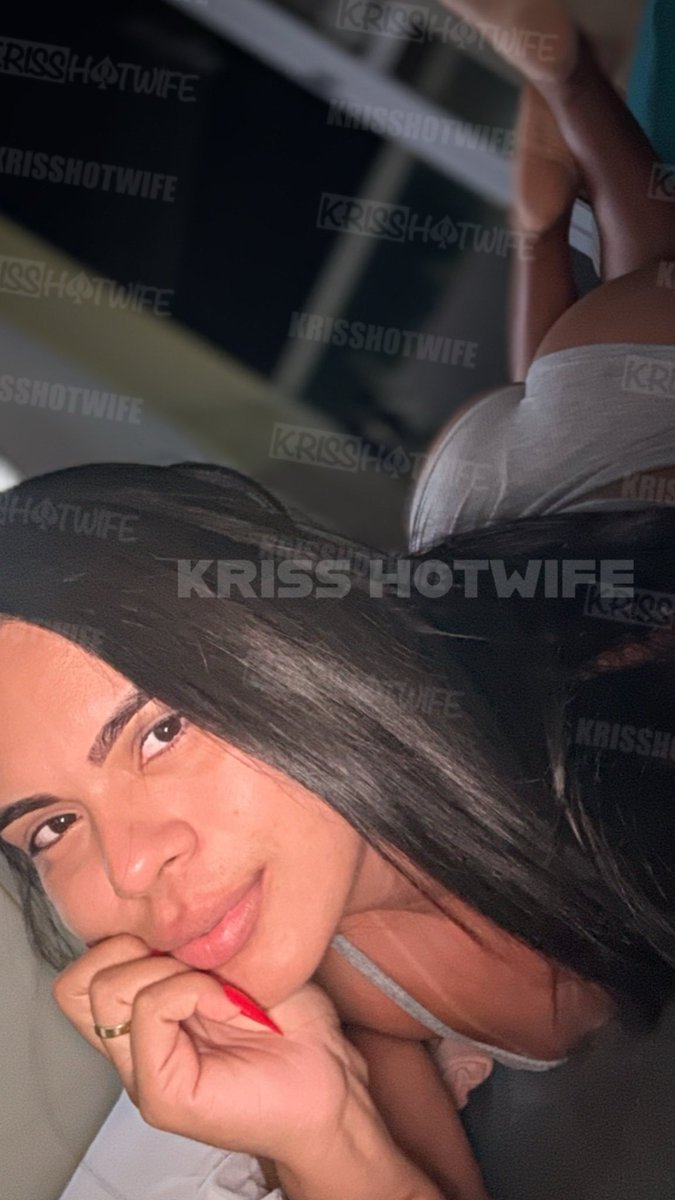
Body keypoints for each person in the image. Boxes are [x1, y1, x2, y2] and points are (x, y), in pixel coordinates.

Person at [0, 460, 673, 1200]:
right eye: (53, 826)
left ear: (295, 636)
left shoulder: (619, 735)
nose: (128, 868)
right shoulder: (327, 992)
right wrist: (322, 1142)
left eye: (161, 732)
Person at [408, 0, 675, 552]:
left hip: (584, 461)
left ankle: (568, 82)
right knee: (641, 309)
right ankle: (539, 228)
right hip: (456, 507)